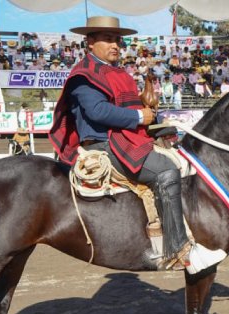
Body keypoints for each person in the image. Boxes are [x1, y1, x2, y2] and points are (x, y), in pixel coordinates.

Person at [49, 16, 192, 270]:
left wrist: (154, 120)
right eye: (107, 39)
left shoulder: (116, 72)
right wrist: (139, 116)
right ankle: (176, 247)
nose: (115, 45)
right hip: (105, 144)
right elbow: (97, 112)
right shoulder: (83, 75)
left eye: (117, 40)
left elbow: (127, 108)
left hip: (123, 137)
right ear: (90, 42)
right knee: (166, 170)